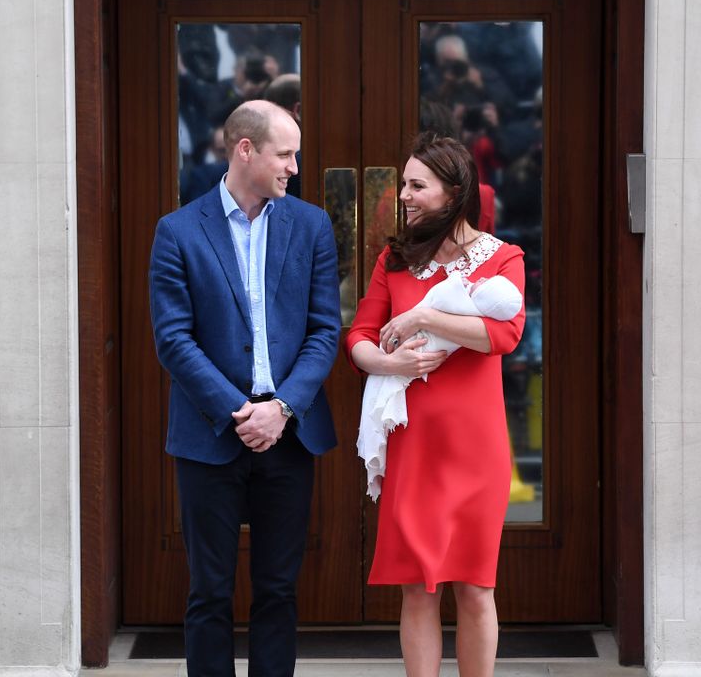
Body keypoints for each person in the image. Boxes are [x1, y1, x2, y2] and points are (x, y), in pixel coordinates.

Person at [149, 99, 340, 677]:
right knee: (209, 592)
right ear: (245, 150)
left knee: (278, 591)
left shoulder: (310, 225)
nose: (295, 167)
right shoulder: (179, 231)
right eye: (286, 154)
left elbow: (324, 330)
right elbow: (174, 340)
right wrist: (240, 411)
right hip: (212, 436)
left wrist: (281, 408)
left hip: (289, 434)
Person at [345, 134, 526, 677]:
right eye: (404, 183)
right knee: (418, 591)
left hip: (477, 447)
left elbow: (504, 334)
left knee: (474, 589)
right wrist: (389, 364)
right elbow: (359, 337)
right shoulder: (393, 260)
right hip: (414, 445)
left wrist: (423, 318)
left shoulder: (503, 258)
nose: (404, 194)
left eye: (416, 185)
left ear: (454, 192)